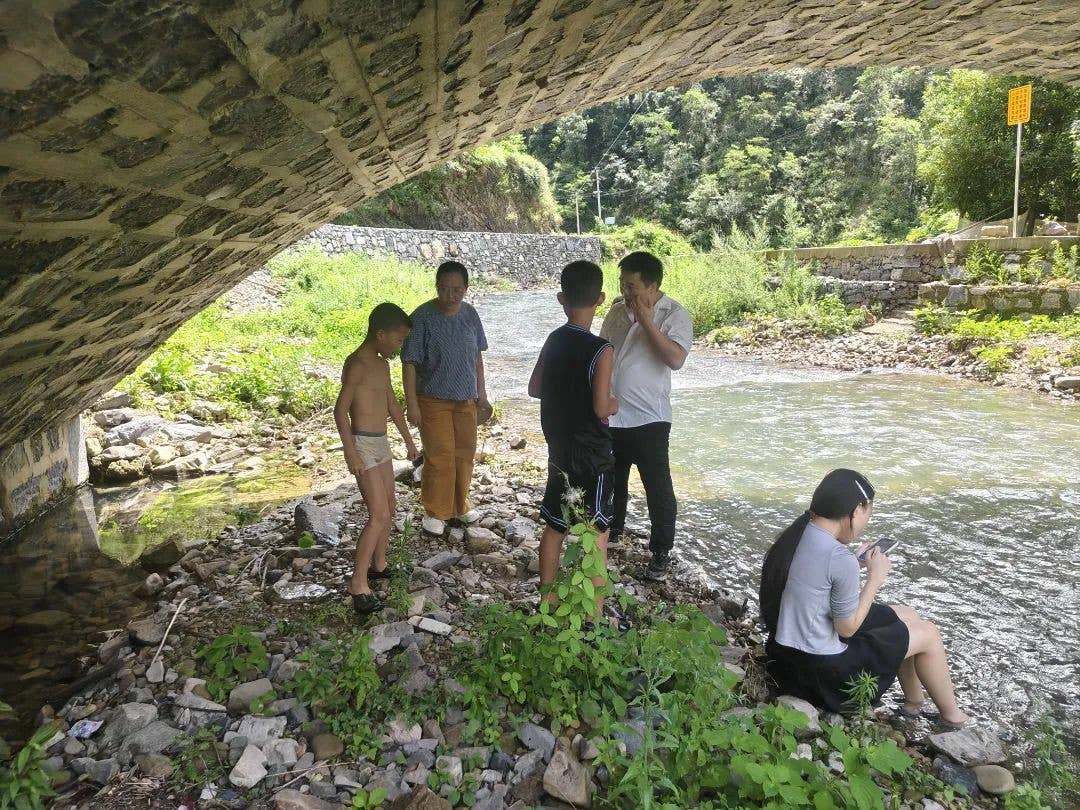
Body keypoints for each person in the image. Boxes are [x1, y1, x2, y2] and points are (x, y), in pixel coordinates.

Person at [759, 469, 970, 727]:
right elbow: (846, 627)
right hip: (824, 677)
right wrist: (874, 578)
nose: (867, 520)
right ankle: (954, 717)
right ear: (855, 510)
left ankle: (914, 704)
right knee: (928, 633)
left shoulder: (797, 536)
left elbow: (819, 580)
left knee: (908, 615)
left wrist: (852, 565)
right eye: (868, 512)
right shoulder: (839, 558)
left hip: (785, 659)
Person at [528, 260, 619, 613]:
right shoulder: (602, 349)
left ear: (561, 298)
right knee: (596, 531)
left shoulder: (554, 339)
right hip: (593, 455)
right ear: (601, 299)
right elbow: (600, 408)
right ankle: (594, 615)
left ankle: (547, 601)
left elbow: (535, 388)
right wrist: (615, 402)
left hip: (560, 451)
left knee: (555, 525)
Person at [599, 251, 693, 581]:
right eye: (623, 285)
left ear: (653, 286)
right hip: (611, 413)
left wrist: (648, 321)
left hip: (650, 418)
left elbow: (675, 359)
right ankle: (612, 530)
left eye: (633, 286)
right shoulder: (615, 312)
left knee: (657, 487)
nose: (626, 292)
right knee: (611, 479)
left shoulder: (674, 314)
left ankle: (661, 552)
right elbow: (601, 353)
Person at [335, 303, 420, 615]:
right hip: (362, 443)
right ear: (380, 333)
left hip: (381, 443)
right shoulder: (356, 363)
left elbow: (392, 406)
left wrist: (409, 441)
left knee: (391, 508)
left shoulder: (383, 365)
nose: (400, 346)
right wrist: (351, 451)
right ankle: (358, 583)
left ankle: (379, 565)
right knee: (379, 514)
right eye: (398, 340)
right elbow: (340, 411)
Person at [401, 261, 490, 536]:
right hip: (432, 399)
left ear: (465, 289)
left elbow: (477, 357)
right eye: (445, 289)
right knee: (439, 456)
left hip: (466, 400)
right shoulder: (422, 317)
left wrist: (482, 395)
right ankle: (436, 511)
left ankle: (459, 506)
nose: (451, 295)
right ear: (436, 286)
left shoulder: (470, 315)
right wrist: (411, 403)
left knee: (464, 453)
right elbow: (409, 362)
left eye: (457, 290)